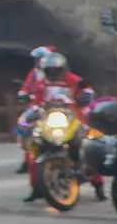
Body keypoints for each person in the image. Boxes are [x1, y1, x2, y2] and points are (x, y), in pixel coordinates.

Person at [14, 50, 91, 201]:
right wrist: (28, 115)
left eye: (57, 70)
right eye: (50, 71)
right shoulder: (41, 84)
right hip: (49, 116)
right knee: (33, 151)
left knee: (86, 142)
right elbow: (35, 100)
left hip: (72, 115)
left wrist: (86, 95)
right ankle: (36, 187)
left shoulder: (73, 79)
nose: (54, 74)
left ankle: (96, 183)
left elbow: (86, 88)